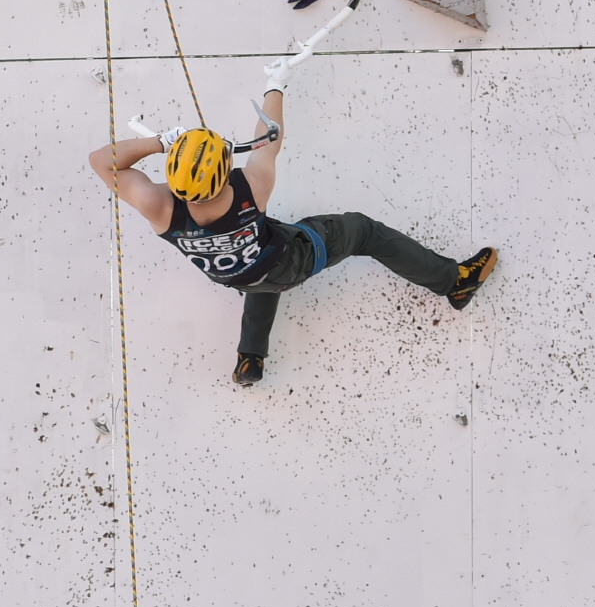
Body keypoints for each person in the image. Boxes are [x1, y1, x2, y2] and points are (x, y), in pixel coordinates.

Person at [85, 62, 497, 386]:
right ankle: (454, 281)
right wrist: (275, 84)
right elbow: (269, 139)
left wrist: (160, 143)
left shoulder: (158, 207)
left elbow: (100, 160)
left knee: (258, 271)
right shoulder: (252, 187)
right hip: (291, 261)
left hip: (237, 276)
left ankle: (251, 358)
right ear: (226, 171)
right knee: (362, 231)